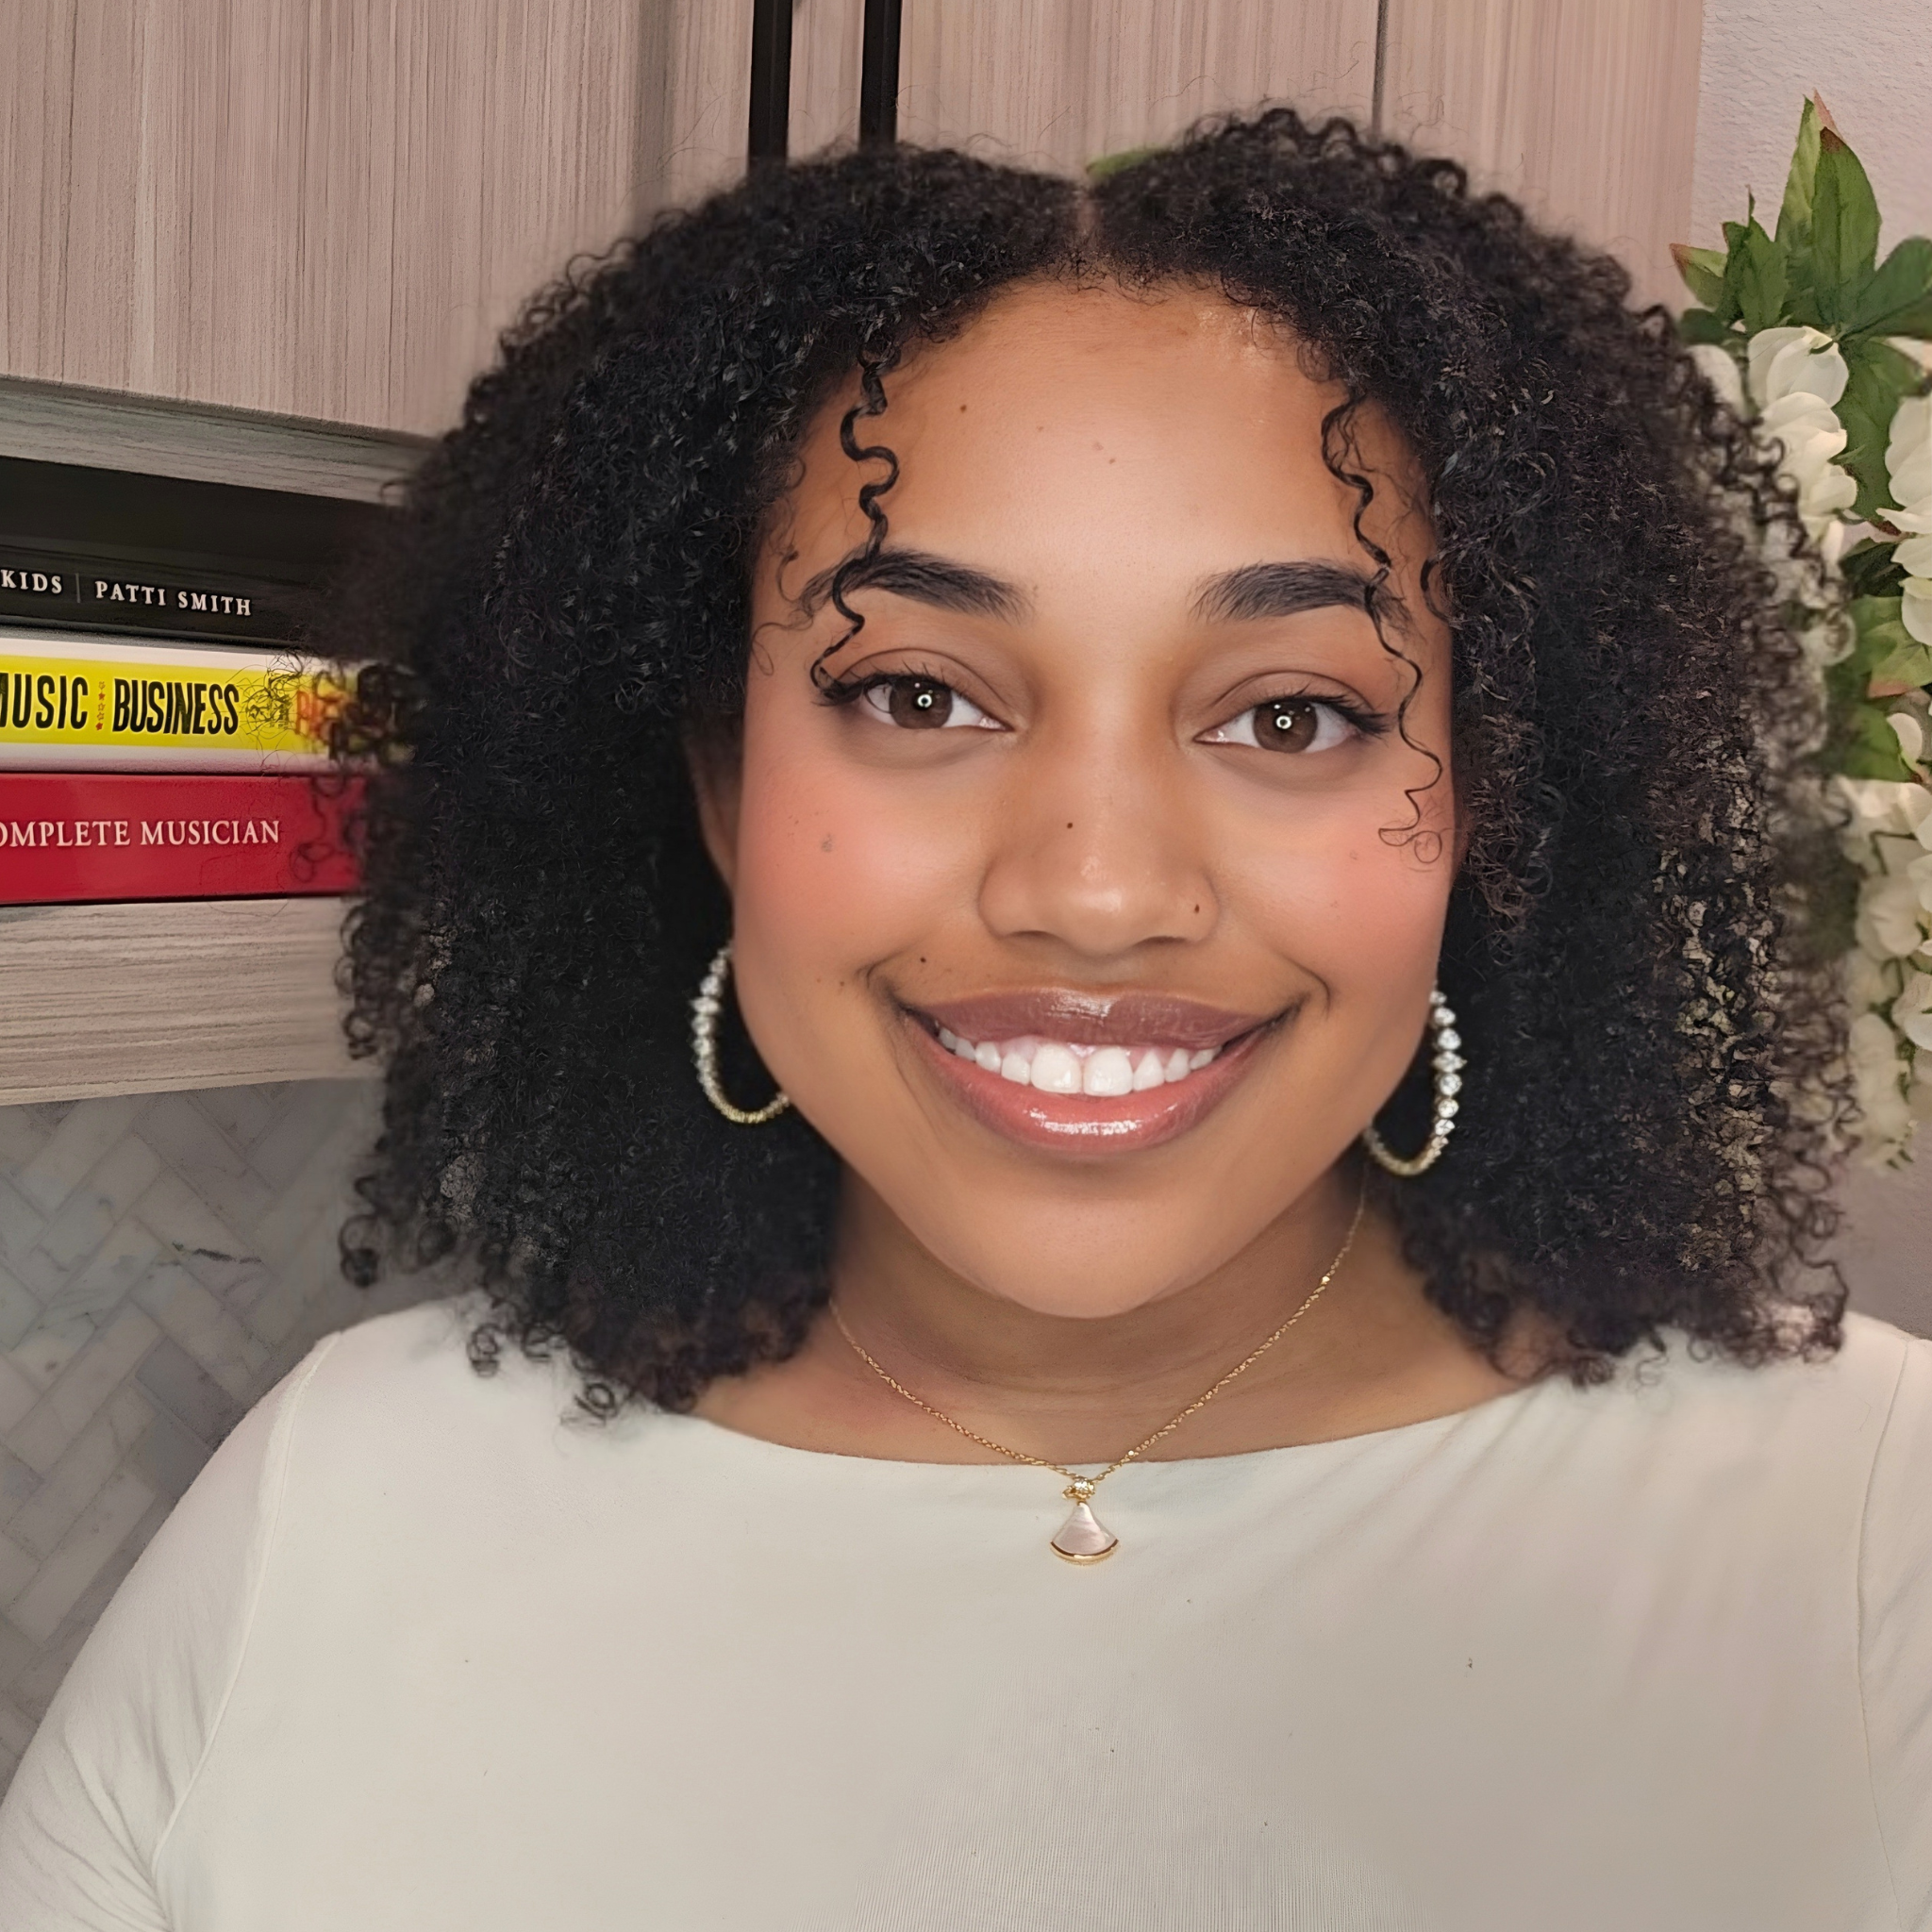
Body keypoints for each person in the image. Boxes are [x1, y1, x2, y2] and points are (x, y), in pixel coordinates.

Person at [0, 110, 1924, 1931]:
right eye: (917, 694)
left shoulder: (1859, 1541)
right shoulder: (333, 1521)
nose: (1093, 888)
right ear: (718, 785)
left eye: (1291, 714)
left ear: (1492, 813)